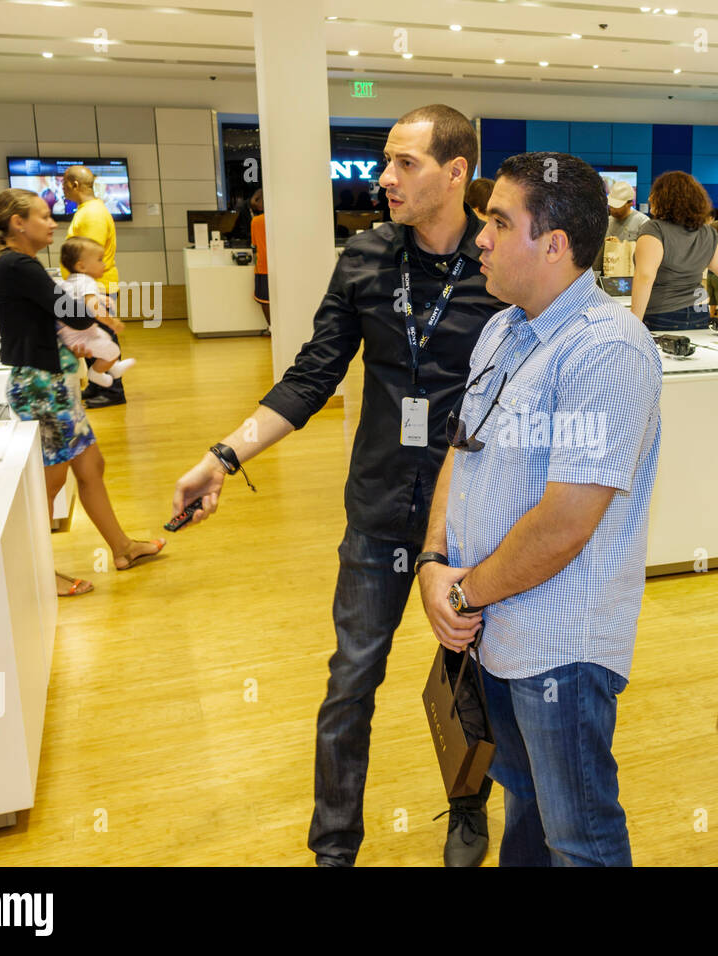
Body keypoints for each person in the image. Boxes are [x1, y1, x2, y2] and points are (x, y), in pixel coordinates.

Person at [170, 104, 503, 868]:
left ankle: (468, 804)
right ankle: (333, 850)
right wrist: (222, 457)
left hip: (475, 513)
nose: (384, 178)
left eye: (405, 164)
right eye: (385, 161)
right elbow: (311, 376)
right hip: (382, 508)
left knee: (473, 675)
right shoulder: (365, 258)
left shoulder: (498, 262)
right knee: (351, 679)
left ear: (456, 173)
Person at [418, 151, 662, 866]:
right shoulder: (502, 330)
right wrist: (434, 562)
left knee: (579, 838)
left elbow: (564, 526)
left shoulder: (608, 350)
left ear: (553, 244)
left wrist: (459, 590)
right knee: (524, 807)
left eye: (499, 221)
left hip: (560, 648)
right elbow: (461, 456)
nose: (481, 237)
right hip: (492, 631)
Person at [0, 189, 165, 595]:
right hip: (41, 387)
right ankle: (39, 575)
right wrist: (97, 320)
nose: (52, 222)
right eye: (43, 216)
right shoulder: (19, 265)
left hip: (54, 383)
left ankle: (123, 547)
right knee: (50, 484)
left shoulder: (18, 264)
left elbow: (54, 319)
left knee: (91, 467)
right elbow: (71, 313)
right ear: (18, 223)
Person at [631, 171, 718, 331]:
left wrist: (634, 326)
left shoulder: (654, 229)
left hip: (661, 314)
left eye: (653, 194)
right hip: (700, 312)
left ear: (665, 198)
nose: (649, 199)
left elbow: (645, 277)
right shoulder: (708, 233)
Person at [60, 164, 127, 409]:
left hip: (95, 287)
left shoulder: (92, 214)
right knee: (91, 339)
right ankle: (99, 386)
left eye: (63, 184)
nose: (62, 188)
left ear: (74, 185)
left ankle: (113, 391)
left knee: (102, 341)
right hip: (90, 287)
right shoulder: (86, 210)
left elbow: (89, 259)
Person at [57, 236, 137, 388]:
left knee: (104, 338)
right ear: (81, 266)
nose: (104, 264)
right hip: (80, 335)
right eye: (100, 260)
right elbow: (94, 309)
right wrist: (113, 323)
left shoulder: (71, 280)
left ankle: (113, 367)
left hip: (71, 333)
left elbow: (77, 297)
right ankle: (96, 374)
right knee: (113, 348)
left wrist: (99, 297)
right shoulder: (88, 281)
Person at [249, 190, 270, 331]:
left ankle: (271, 328)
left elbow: (254, 244)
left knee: (265, 300)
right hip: (283, 266)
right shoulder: (281, 219)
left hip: (263, 265)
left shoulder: (256, 221)